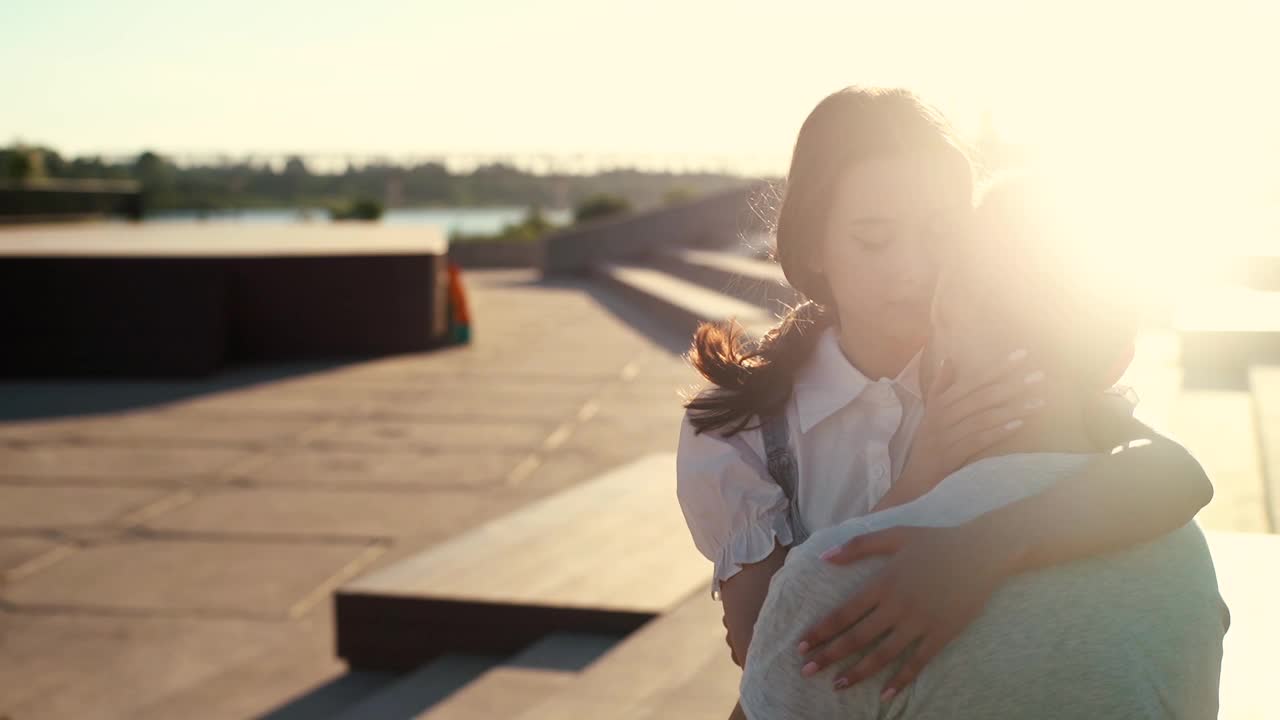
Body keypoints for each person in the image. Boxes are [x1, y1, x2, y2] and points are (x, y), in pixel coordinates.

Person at [675, 87, 1214, 715]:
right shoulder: (739, 428)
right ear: (814, 244)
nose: (913, 269)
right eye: (874, 240)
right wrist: (920, 481)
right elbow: (759, 650)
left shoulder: (1000, 367)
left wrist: (985, 547)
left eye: (940, 234)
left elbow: (1174, 476)